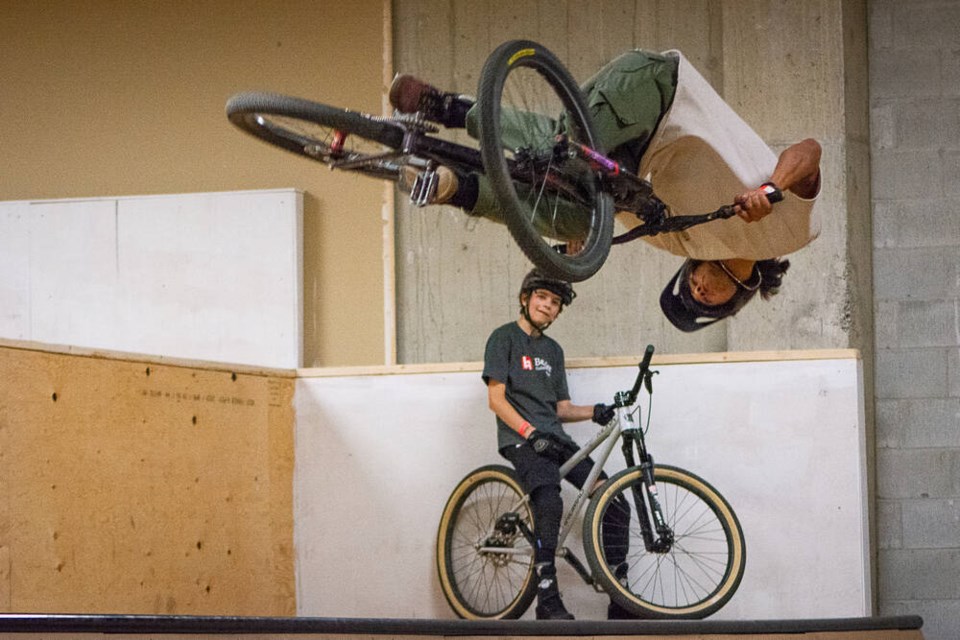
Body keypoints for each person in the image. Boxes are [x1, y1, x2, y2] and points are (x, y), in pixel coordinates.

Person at [390, 48, 823, 332]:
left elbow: (613, 213)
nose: (697, 292)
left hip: (638, 150)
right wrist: (772, 189)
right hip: (660, 93)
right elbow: (809, 152)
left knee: (576, 211)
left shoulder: (681, 241)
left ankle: (456, 188)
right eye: (705, 302)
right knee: (569, 142)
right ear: (738, 299)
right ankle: (447, 107)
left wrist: (583, 233)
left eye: (689, 293)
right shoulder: (788, 234)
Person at [482, 268, 634, 620]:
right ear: (525, 298)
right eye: (541, 298)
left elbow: (561, 409)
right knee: (549, 499)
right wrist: (529, 432)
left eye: (554, 303)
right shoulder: (503, 338)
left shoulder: (553, 350)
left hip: (555, 440)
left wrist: (594, 411)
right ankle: (546, 596)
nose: (548, 306)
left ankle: (620, 594)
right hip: (521, 440)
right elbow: (496, 399)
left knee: (615, 500)